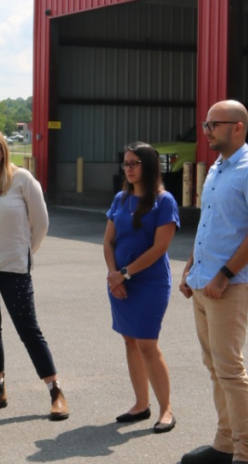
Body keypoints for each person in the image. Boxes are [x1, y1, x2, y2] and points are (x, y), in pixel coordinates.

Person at [177, 100, 248, 464]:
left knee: (230, 368)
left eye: (212, 124)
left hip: (230, 285)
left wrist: (225, 273)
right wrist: (191, 268)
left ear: (237, 127)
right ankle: (224, 441)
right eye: (205, 124)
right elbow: (211, 226)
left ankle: (246, 455)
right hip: (205, 282)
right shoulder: (217, 168)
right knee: (214, 365)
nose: (206, 131)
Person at [0, 129, 68, 421]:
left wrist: (24, 253)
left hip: (14, 267)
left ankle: (55, 391)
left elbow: (41, 223)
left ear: (3, 151)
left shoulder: (22, 180)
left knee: (28, 329)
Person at [104, 142, 180, 433]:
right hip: (119, 280)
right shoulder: (121, 199)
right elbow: (109, 241)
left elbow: (160, 247)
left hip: (149, 282)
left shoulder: (164, 201)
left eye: (134, 163)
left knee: (147, 344)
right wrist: (114, 274)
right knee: (129, 341)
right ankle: (140, 404)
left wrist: (125, 274)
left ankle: (166, 409)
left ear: (148, 165)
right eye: (125, 163)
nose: (129, 168)